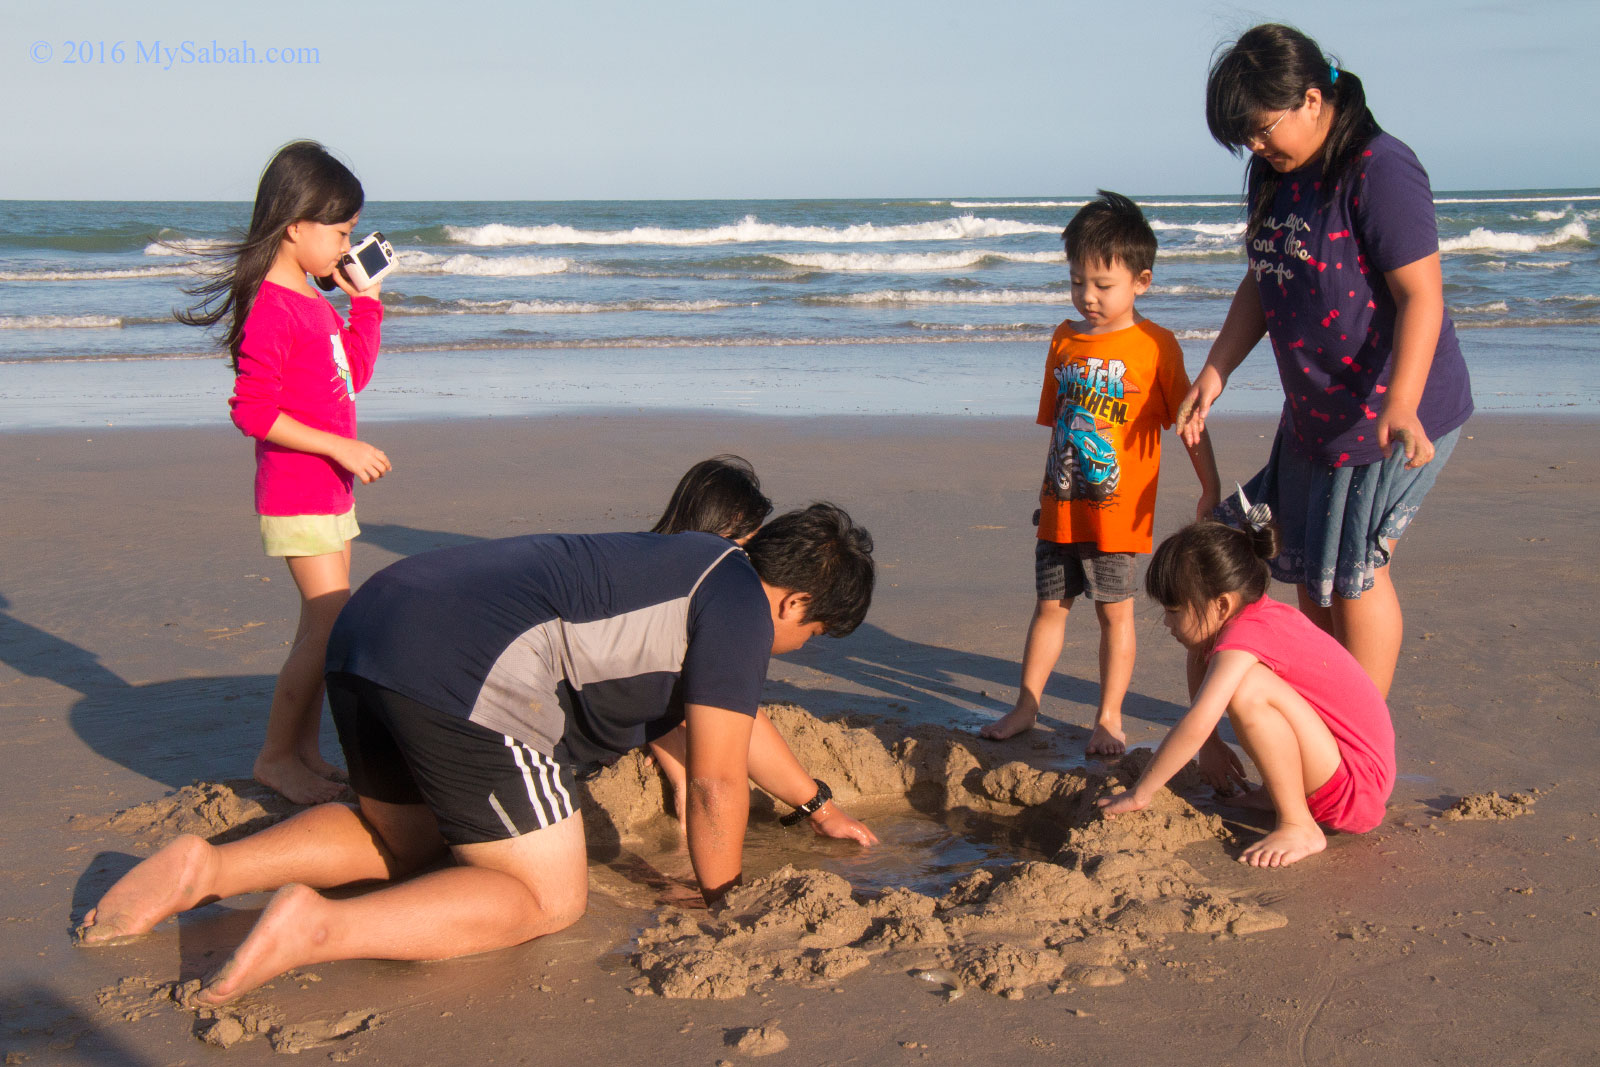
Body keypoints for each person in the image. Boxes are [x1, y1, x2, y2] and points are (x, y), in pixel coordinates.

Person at [76, 504, 878, 1003]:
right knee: (547, 895)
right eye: (808, 635)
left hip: (373, 625)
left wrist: (819, 804)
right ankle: (319, 926)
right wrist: (725, 899)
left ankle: (207, 870)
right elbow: (714, 780)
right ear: (799, 599)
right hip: (463, 665)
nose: (794, 646)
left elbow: (735, 733)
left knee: (408, 837)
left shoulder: (687, 567)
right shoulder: (739, 602)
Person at [1178, 24, 1474, 699]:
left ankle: (1359, 739)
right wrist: (1216, 370)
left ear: (1313, 99)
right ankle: (1320, 716)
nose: (1255, 148)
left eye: (1261, 130)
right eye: (1244, 140)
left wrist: (1400, 401)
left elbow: (1421, 296)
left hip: (1394, 411)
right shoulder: (1274, 173)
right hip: (1316, 411)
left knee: (1353, 573)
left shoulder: (1379, 167)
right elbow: (1265, 274)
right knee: (1310, 570)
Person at [177, 140, 392, 804]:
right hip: (300, 489)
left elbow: (349, 375)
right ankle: (277, 756)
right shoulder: (273, 306)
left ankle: (303, 750)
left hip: (327, 488)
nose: (344, 246)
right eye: (340, 232)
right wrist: (339, 447)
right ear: (296, 222)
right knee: (330, 621)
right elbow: (253, 411)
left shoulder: (311, 300)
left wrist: (368, 303)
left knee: (321, 623)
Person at [982, 191, 1221, 754]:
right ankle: (1026, 706)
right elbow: (1058, 426)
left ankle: (1109, 717)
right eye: (1075, 282)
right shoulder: (1063, 339)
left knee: (1115, 616)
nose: (1087, 297)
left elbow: (1191, 421)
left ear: (1142, 281)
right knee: (1048, 609)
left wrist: (1209, 485)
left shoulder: (1156, 347)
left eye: (1102, 285)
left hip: (1116, 519)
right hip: (1060, 508)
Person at [1098, 511, 1395, 867]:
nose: (1167, 622)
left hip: (1355, 788)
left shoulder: (1246, 636)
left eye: (1174, 611)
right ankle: (1279, 796)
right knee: (1220, 659)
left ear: (1222, 603)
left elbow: (1200, 718)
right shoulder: (1251, 618)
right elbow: (1200, 656)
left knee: (1247, 689)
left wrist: (1140, 793)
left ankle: (1299, 824)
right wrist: (1212, 748)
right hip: (1343, 766)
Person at [644, 455, 773, 820]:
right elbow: (648, 683)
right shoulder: (689, 583)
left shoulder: (649, 557)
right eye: (746, 541)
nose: (746, 555)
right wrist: (683, 774)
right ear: (725, 526)